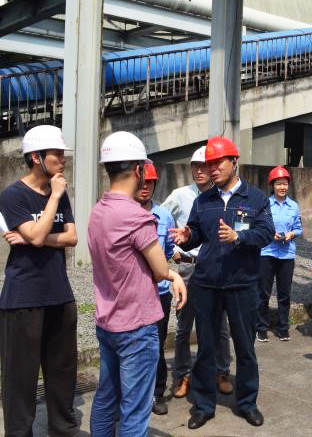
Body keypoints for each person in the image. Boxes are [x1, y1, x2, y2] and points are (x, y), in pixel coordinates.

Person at [170, 136, 274, 429]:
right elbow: (196, 233)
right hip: (207, 284)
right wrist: (186, 236)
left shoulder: (256, 198)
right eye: (209, 164)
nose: (212, 169)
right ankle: (203, 406)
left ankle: (247, 403)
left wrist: (240, 236)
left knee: (245, 348)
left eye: (218, 163)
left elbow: (266, 233)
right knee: (206, 347)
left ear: (234, 162)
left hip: (243, 284)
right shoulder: (204, 201)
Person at [88, 131, 186, 437]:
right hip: (136, 326)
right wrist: (175, 275)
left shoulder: (98, 210)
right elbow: (160, 269)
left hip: (108, 322)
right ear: (139, 169)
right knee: (135, 410)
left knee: (106, 399)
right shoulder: (136, 216)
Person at [0, 125, 79, 437]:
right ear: (36, 157)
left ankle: (64, 430)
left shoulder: (61, 193)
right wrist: (53, 198)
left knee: (62, 372)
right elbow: (37, 234)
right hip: (24, 297)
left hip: (60, 294)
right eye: (56, 154)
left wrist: (35, 238)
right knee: (20, 377)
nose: (63, 159)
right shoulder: (13, 195)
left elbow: (71, 237)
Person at [161, 146, 234, 400]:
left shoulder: (222, 197)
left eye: (204, 165)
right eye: (195, 166)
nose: (200, 170)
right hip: (188, 267)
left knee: (220, 324)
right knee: (184, 326)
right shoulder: (180, 195)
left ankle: (221, 372)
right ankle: (183, 375)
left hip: (215, 268)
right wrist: (172, 250)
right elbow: (160, 219)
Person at [133, 160, 177, 415]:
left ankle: (156, 393)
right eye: (142, 182)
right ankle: (130, 394)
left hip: (159, 294)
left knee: (155, 345)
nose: (146, 187)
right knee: (130, 346)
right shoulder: (124, 214)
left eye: (150, 182)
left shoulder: (165, 216)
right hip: (132, 294)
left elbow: (169, 250)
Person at [257, 166, 303, 342]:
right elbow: (259, 226)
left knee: (284, 294)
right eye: (278, 184)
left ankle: (283, 328)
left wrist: (292, 234)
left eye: (285, 184)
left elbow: (298, 227)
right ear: (272, 185)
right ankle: (261, 328)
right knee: (263, 293)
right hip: (267, 252)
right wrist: (271, 234)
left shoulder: (294, 206)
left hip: (287, 254)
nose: (282, 187)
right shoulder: (265, 204)